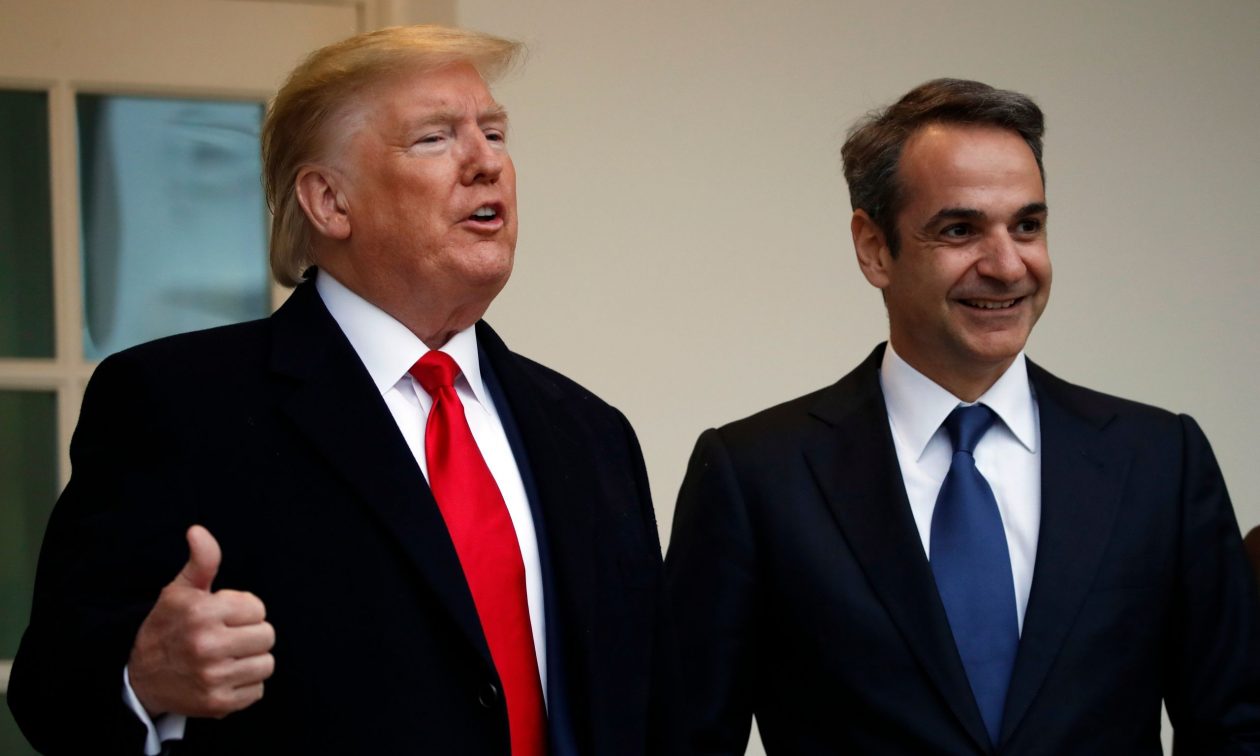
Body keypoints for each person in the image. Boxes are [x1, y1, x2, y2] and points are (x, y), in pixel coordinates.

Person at [10, 25, 673, 756]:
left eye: (493, 133)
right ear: (329, 201)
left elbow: (646, 702)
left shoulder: (592, 433)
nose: (487, 162)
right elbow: (51, 692)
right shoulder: (176, 403)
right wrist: (145, 678)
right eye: (434, 138)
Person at [665, 78, 1260, 754]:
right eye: (960, 230)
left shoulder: (1160, 461)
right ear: (874, 247)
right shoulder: (755, 477)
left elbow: (1235, 729)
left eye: (1027, 226)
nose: (1007, 266)